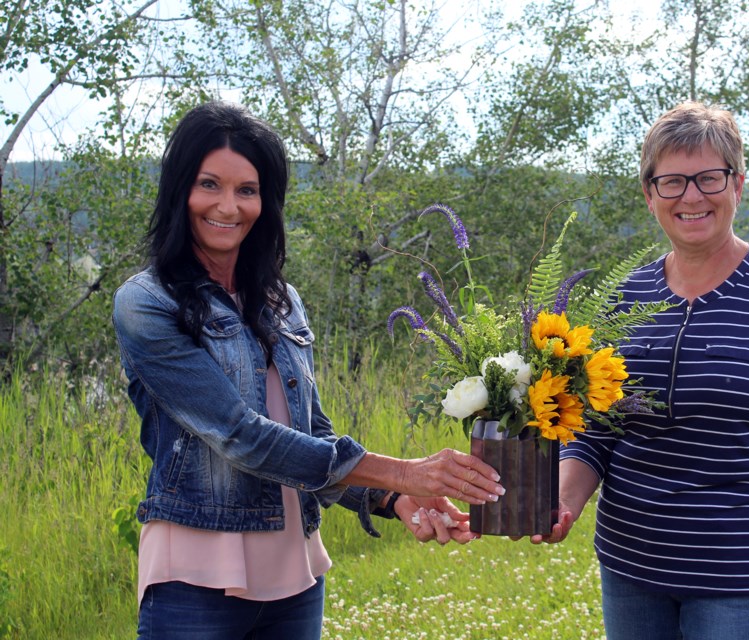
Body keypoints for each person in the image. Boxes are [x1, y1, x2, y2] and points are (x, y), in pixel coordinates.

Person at [112, 101, 504, 639]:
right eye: (209, 184)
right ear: (179, 190)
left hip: (296, 575)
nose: (228, 206)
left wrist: (389, 497)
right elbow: (240, 436)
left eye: (247, 190)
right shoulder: (145, 302)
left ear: (265, 201)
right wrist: (403, 470)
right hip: (193, 578)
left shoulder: (281, 299)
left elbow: (308, 436)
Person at [534, 102, 749, 640]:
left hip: (744, 580)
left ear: (738, 185)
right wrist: (563, 501)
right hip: (630, 568)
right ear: (649, 194)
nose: (691, 196)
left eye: (709, 178)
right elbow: (596, 430)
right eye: (672, 182)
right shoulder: (623, 298)